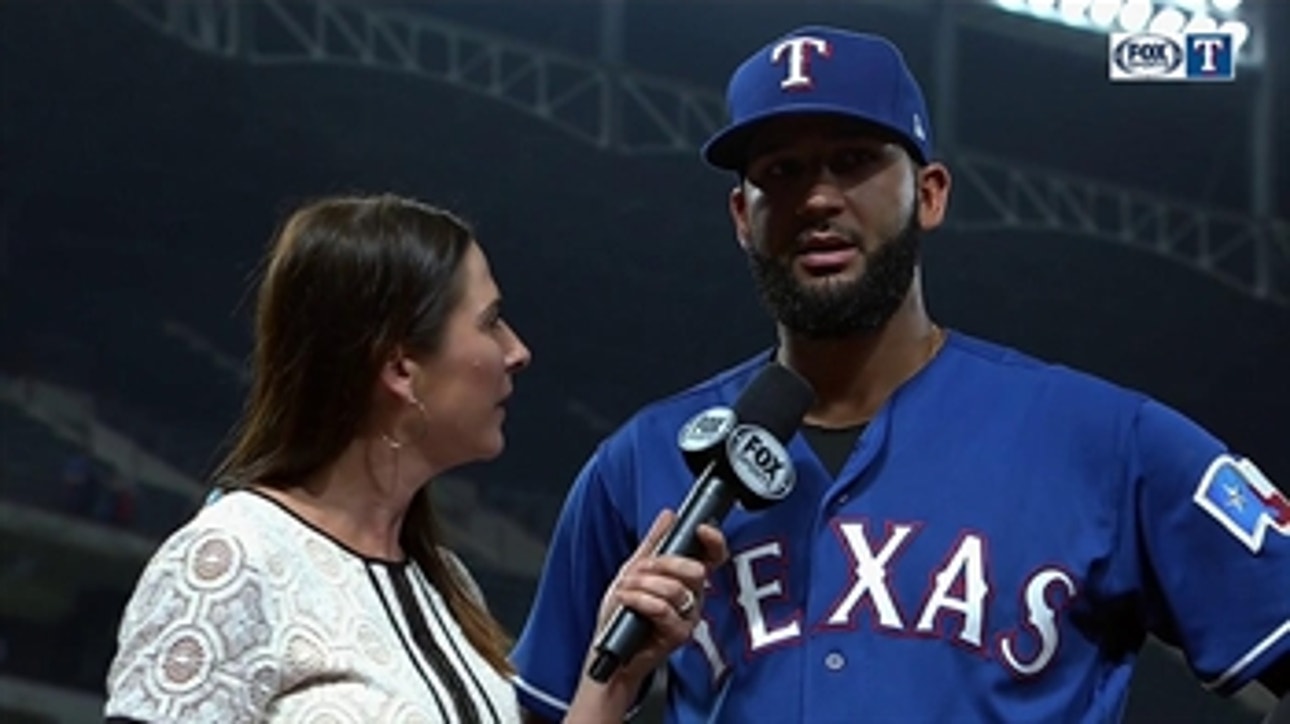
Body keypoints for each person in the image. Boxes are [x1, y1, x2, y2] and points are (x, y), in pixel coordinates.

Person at [510, 25, 1290, 723]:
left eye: (853, 162)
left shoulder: (1105, 439)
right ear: (741, 219)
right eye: (780, 172)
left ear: (930, 194)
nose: (816, 197)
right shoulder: (640, 463)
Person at [104, 193, 727, 723]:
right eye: (491, 323)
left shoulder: (447, 583)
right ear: (401, 367)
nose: (518, 351)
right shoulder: (231, 559)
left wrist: (612, 672)